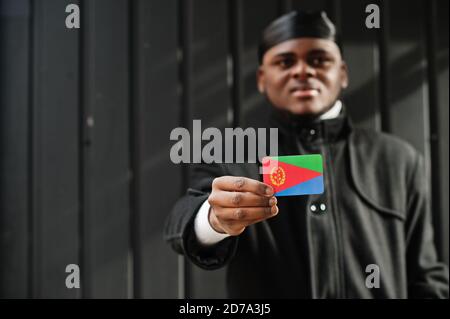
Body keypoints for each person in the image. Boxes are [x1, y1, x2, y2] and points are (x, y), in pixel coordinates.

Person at [164, 10, 449, 298]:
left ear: (343, 73)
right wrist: (213, 219)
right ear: (262, 78)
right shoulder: (232, 154)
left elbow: (425, 274)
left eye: (319, 59)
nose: (303, 70)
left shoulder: (398, 160)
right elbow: (181, 218)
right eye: (285, 61)